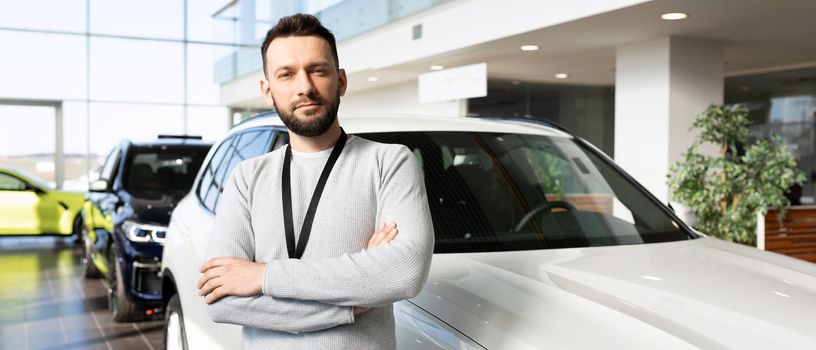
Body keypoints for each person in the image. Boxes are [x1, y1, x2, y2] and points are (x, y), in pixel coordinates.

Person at [195, 13, 434, 349]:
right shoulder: (247, 178)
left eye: (317, 70)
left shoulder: (389, 162)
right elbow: (222, 302)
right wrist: (353, 303)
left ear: (341, 81)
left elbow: (403, 272)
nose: (304, 86)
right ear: (268, 91)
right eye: (286, 74)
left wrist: (261, 276)